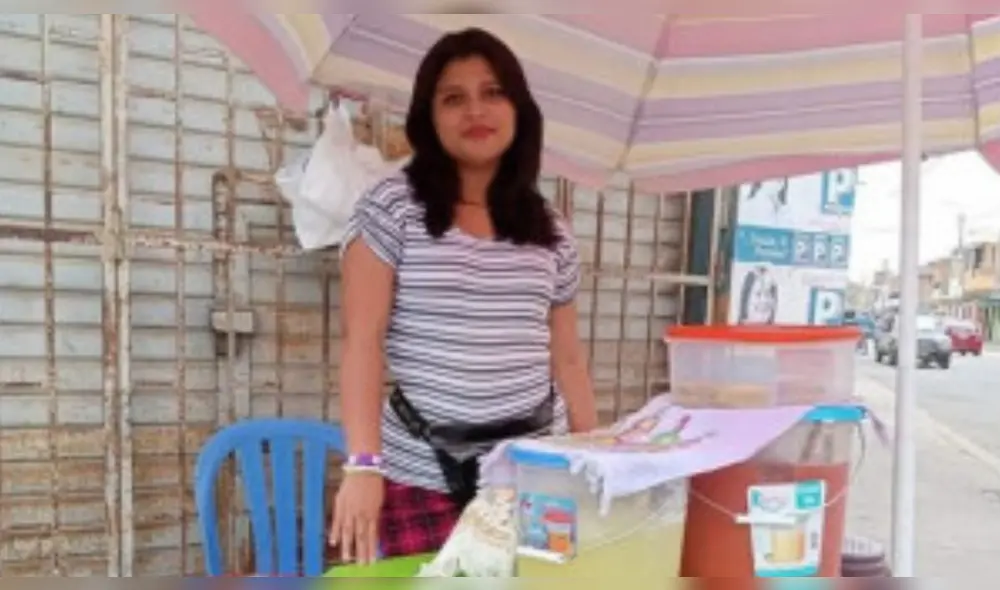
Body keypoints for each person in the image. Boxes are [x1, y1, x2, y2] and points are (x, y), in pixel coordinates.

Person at [329, 27, 599, 565]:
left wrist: (596, 456)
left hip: (534, 469)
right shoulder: (390, 209)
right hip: (421, 471)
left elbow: (568, 358)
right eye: (453, 98)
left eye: (493, 92)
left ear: (519, 109)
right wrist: (363, 466)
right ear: (429, 117)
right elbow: (363, 341)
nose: (476, 110)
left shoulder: (551, 230)